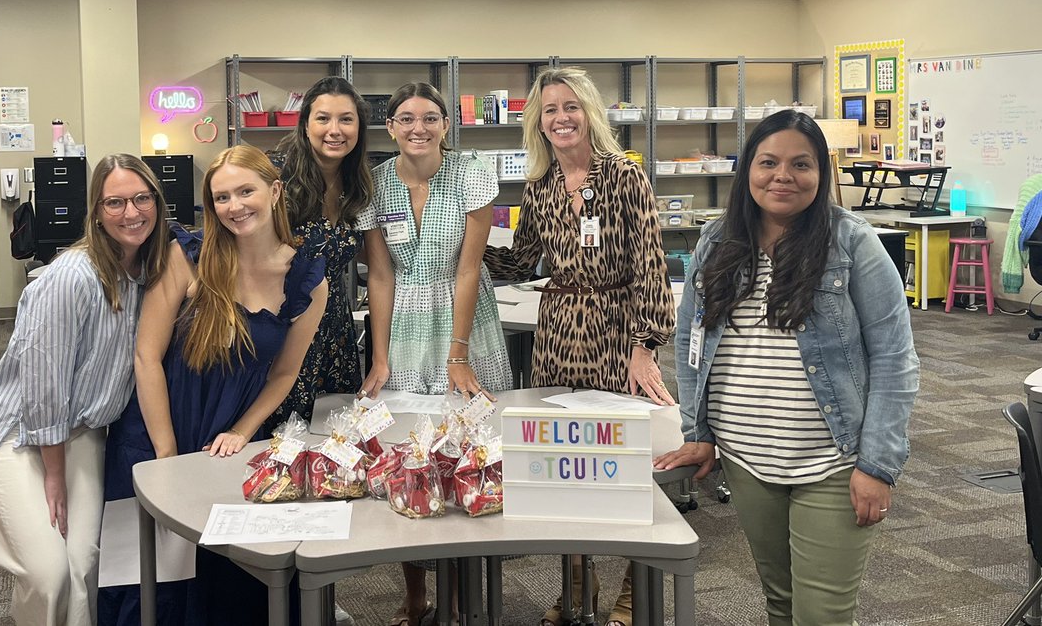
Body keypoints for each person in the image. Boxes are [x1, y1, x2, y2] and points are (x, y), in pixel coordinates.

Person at [655, 110, 920, 626]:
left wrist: (877, 464)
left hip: (832, 460)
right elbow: (692, 342)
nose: (783, 176)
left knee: (822, 615)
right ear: (747, 170)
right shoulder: (717, 240)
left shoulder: (852, 243)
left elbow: (895, 360)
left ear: (821, 174)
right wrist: (700, 431)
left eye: (801, 164)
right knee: (781, 603)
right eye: (768, 162)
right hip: (747, 457)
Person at [99, 145, 327, 626]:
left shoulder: (307, 277)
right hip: (159, 428)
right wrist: (165, 456)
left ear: (275, 191)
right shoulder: (188, 255)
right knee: (151, 582)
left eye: (246, 191)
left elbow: (285, 373)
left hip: (232, 441)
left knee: (233, 578)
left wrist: (244, 431)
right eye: (221, 197)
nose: (235, 206)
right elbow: (147, 355)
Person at [482, 67, 675, 626]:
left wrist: (646, 345)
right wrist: (464, 244)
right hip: (559, 332)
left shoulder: (624, 177)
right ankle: (576, 588)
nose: (561, 118)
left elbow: (649, 268)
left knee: (628, 463)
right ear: (537, 124)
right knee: (563, 466)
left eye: (571, 106)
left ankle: (633, 595)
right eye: (550, 110)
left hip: (617, 331)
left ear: (589, 112)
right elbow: (520, 262)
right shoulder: (539, 187)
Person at [0, 154, 169, 626]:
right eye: (115, 202)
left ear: (157, 203)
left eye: (141, 199)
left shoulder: (145, 271)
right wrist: (53, 475)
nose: (131, 212)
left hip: (82, 431)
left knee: (85, 565)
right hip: (17, 433)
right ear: (96, 212)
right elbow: (43, 386)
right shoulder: (70, 277)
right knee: (49, 571)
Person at [358, 81, 512, 626]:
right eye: (405, 118)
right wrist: (379, 357)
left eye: (429, 117)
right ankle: (417, 592)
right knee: (410, 462)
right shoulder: (375, 184)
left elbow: (469, 268)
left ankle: (462, 590)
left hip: (464, 323)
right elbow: (379, 274)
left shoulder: (471, 175)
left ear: (447, 125)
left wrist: (459, 353)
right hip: (404, 329)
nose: (417, 127)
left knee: (466, 454)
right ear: (391, 128)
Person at [266, 76, 374, 429]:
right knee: (278, 437)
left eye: (346, 119)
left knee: (335, 440)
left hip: (335, 327)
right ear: (305, 124)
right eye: (323, 118)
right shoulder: (274, 176)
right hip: (283, 324)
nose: (335, 130)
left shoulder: (357, 184)